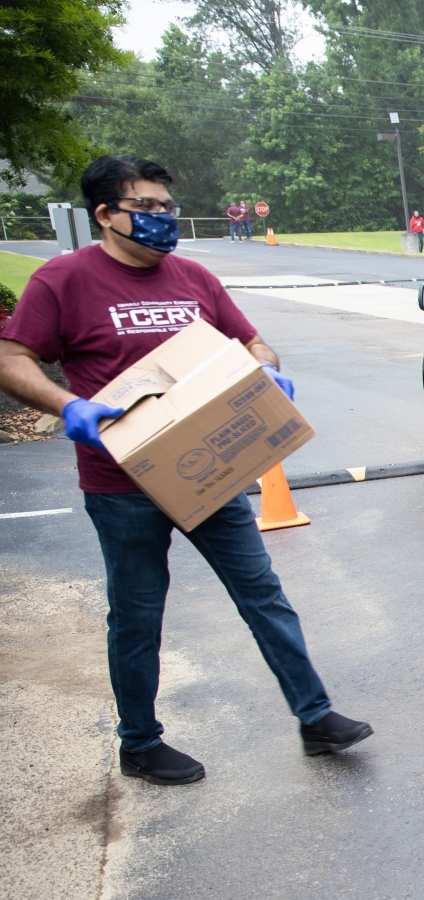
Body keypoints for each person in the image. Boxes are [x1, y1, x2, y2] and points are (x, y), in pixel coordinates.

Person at [0, 155, 373, 786]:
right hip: (123, 487)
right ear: (105, 214)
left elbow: (252, 341)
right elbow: (12, 357)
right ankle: (140, 743)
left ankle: (315, 718)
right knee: (139, 615)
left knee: (263, 595)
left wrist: (265, 368)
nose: (161, 219)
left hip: (211, 476)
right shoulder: (64, 281)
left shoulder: (193, 277)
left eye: (166, 207)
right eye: (145, 208)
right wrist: (70, 406)